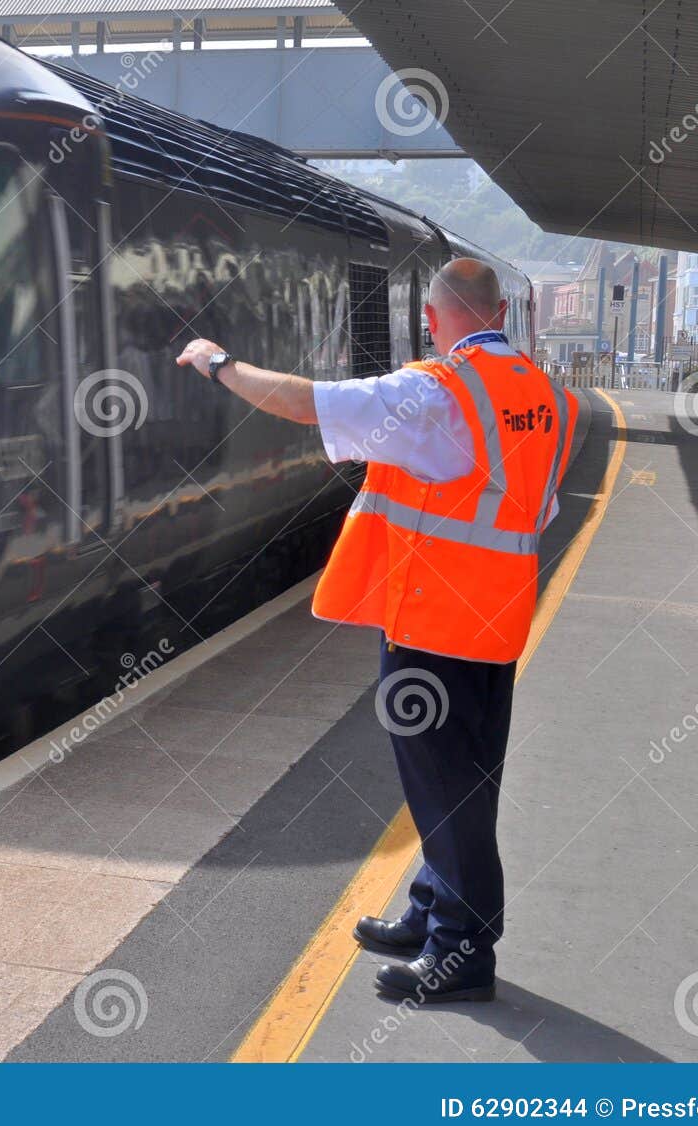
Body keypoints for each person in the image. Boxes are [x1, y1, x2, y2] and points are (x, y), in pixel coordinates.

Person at [176, 258, 577, 1004]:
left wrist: (217, 362)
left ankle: (462, 953)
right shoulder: (547, 396)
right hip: (496, 622)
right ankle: (431, 913)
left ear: (433, 319)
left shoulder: (434, 393)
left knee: (445, 788)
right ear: (499, 314)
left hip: (430, 627)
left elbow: (306, 403)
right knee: (465, 779)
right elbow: (536, 510)